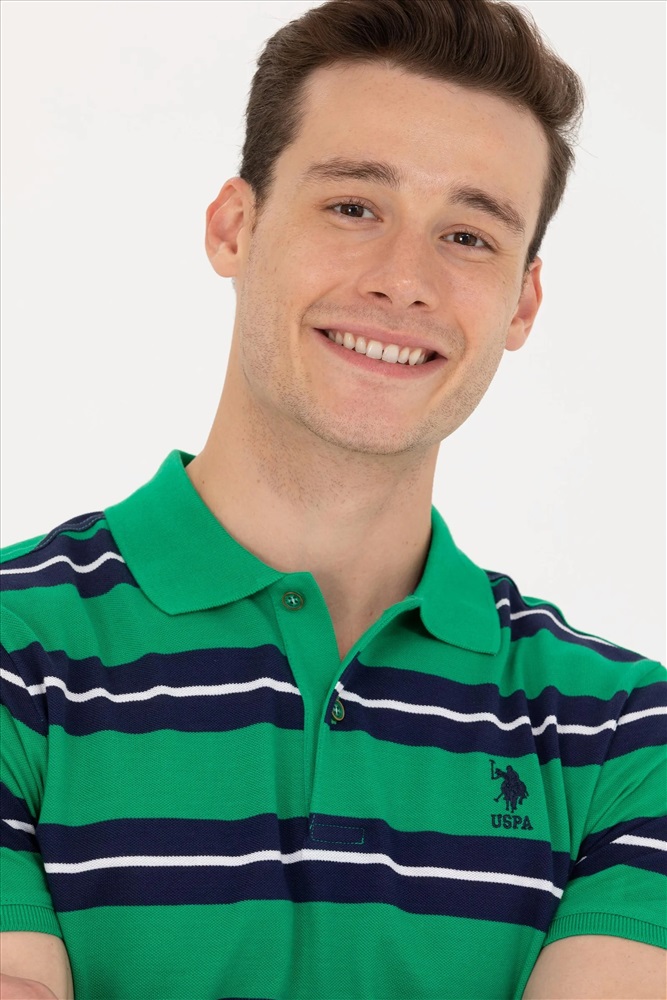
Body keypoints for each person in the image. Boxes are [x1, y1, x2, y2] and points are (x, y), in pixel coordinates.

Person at [1, 0, 665, 997]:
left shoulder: (620, 731)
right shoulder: (14, 645)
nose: (404, 281)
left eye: (468, 235)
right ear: (235, 227)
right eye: (354, 207)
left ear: (522, 304)